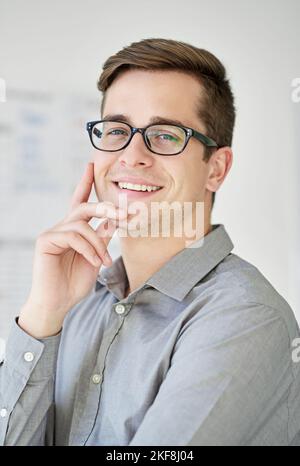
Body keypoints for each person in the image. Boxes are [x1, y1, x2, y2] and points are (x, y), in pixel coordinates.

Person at [1, 37, 300, 446]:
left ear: (216, 168)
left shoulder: (245, 316)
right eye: (117, 130)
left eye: (165, 134)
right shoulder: (77, 304)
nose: (132, 155)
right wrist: (42, 316)